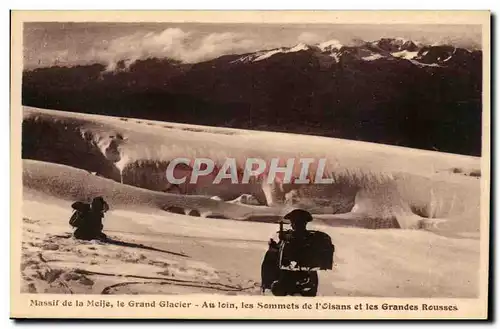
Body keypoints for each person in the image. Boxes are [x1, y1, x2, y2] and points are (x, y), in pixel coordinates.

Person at [262, 209, 321, 296]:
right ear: (305, 223)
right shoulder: (312, 238)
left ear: (293, 223)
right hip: (308, 281)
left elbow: (282, 251)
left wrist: (275, 245)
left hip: (285, 281)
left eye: (292, 222)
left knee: (269, 256)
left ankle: (267, 285)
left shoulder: (288, 237)